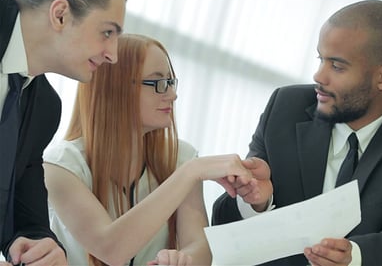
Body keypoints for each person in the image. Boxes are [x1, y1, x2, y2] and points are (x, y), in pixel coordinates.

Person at [212, 0, 382, 266]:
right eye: (320, 59)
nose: (319, 76)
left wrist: (353, 257)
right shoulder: (285, 108)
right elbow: (222, 221)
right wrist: (256, 203)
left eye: (337, 66)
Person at [42, 33, 254, 266]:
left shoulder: (181, 158)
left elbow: (201, 248)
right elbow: (111, 249)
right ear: (116, 89)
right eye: (158, 83)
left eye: (171, 82)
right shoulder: (61, 166)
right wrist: (191, 172)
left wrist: (180, 259)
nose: (173, 95)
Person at [0, 0, 127, 265]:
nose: (113, 55)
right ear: (60, 15)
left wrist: (45, 249)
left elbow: (27, 221)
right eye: (107, 32)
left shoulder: (44, 108)